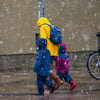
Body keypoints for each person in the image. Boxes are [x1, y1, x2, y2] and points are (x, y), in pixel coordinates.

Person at [37, 17, 64, 89]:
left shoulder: (43, 27)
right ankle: (49, 86)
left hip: (48, 50)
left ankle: (58, 80)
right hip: (54, 50)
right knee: (50, 67)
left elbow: (43, 40)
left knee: (47, 69)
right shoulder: (52, 26)